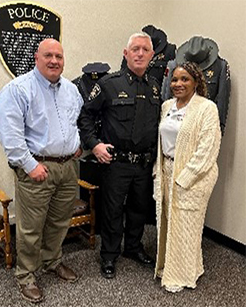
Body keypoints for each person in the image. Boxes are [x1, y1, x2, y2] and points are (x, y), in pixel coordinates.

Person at [0, 38, 84, 303]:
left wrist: (78, 146)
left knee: (59, 222)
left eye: (59, 56)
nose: (54, 60)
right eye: (48, 55)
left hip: (68, 168)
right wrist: (30, 165)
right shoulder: (18, 89)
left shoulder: (71, 90)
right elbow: (8, 132)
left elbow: (77, 121)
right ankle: (26, 275)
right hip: (36, 168)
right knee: (31, 228)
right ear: (36, 58)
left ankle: (52, 260)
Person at [78, 32, 161, 279]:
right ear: (126, 54)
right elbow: (85, 117)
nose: (139, 53)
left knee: (139, 209)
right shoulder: (108, 84)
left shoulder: (155, 87)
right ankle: (110, 255)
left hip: (144, 162)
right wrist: (94, 145)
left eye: (145, 50)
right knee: (113, 211)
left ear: (152, 55)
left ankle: (133, 248)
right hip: (117, 162)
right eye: (134, 49)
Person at [154, 62, 221, 293]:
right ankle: (169, 267)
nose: (178, 84)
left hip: (194, 176)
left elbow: (208, 149)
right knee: (169, 222)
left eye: (184, 79)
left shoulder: (206, 108)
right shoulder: (167, 106)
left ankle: (184, 274)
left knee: (187, 225)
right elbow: (162, 143)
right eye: (174, 80)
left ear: (196, 82)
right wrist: (159, 170)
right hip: (167, 171)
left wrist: (185, 178)